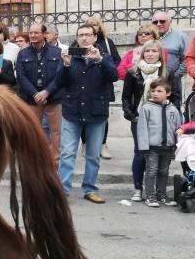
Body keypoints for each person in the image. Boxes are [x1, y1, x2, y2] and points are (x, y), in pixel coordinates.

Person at [57, 24, 117, 203]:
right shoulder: (71, 58)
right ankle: (63, 191)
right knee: (67, 153)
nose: (83, 38)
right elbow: (60, 82)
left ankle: (90, 188)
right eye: (80, 35)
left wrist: (99, 60)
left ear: (95, 38)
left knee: (93, 154)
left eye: (87, 35)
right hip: (72, 111)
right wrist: (66, 66)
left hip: (96, 113)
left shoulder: (104, 57)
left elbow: (114, 76)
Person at [122, 40, 168, 202]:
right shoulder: (133, 72)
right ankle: (138, 189)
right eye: (147, 51)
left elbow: (175, 97)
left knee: (160, 155)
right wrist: (132, 116)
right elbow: (126, 98)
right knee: (141, 153)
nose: (150, 54)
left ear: (159, 54)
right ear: (142, 54)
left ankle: (157, 191)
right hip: (140, 118)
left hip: (161, 120)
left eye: (154, 51)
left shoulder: (166, 73)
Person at [16, 23, 64, 163]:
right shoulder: (22, 53)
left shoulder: (57, 52)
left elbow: (60, 76)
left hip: (54, 99)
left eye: (36, 33)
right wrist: (35, 94)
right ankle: (36, 160)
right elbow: (21, 76)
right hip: (31, 99)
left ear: (44, 34)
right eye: (31, 33)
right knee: (33, 132)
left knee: (56, 132)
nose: (33, 36)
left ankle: (54, 162)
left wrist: (46, 92)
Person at [136, 78, 182, 208]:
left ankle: (161, 194)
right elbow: (142, 128)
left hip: (167, 146)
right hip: (152, 147)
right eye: (153, 91)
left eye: (159, 91)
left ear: (168, 93)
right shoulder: (147, 108)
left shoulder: (173, 109)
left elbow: (178, 126)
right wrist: (143, 146)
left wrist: (176, 145)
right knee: (151, 170)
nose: (155, 93)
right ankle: (150, 195)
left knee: (164, 171)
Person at [152, 11, 187, 110]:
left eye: (162, 21)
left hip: (172, 83)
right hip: (151, 83)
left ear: (170, 22)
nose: (159, 24)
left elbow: (187, 59)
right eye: (155, 22)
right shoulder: (149, 37)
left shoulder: (181, 37)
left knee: (173, 110)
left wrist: (175, 76)